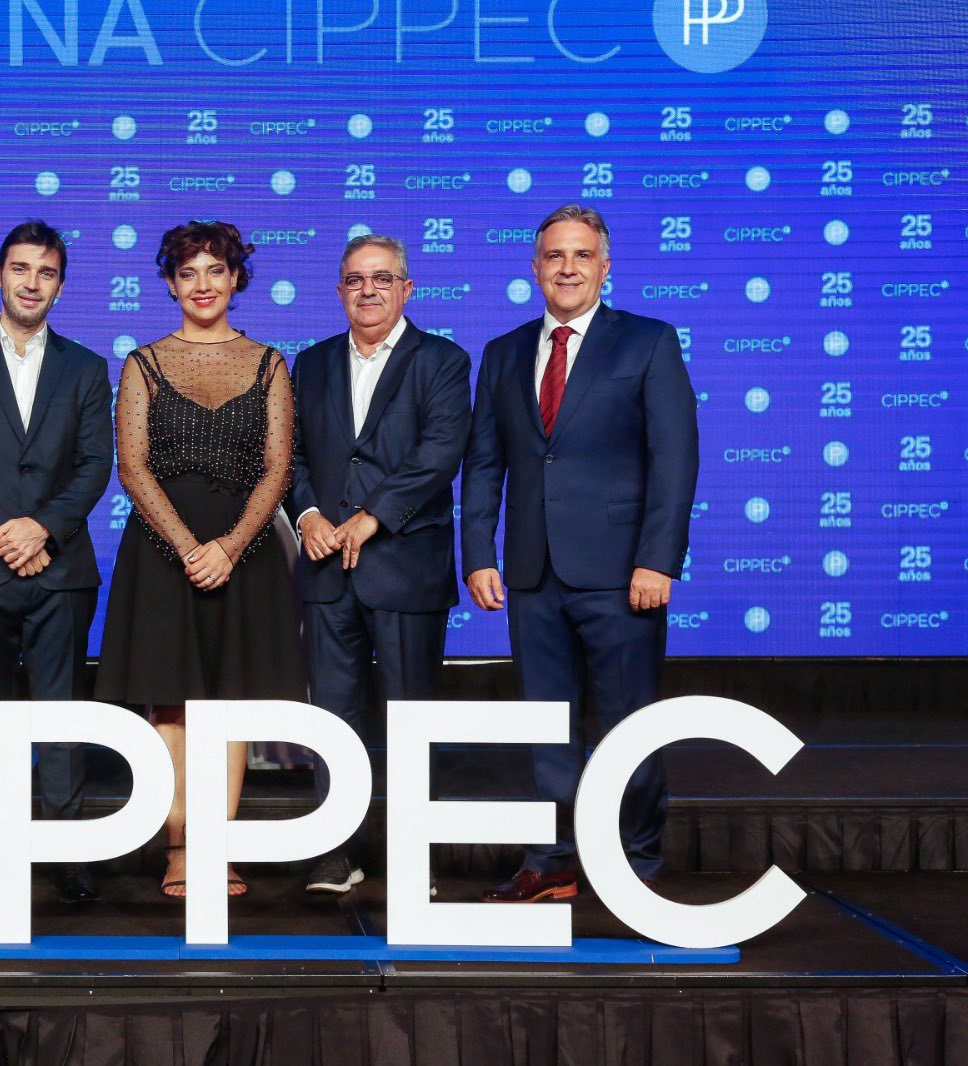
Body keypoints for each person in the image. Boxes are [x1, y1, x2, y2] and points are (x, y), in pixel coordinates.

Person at [461, 204, 699, 903]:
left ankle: (638, 866)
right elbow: (484, 464)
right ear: (535, 267)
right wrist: (478, 552)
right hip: (532, 574)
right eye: (555, 256)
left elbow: (675, 459)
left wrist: (658, 559)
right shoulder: (504, 352)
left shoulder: (649, 342)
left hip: (624, 574)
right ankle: (552, 861)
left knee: (631, 725)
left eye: (582, 255)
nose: (568, 268)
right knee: (547, 728)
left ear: (605, 266)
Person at [96, 220, 307, 898]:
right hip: (164, 554)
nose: (203, 285)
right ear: (170, 284)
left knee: (232, 708)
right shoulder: (143, 364)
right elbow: (132, 468)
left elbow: (278, 469)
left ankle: (220, 848)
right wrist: (190, 547)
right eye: (188, 273)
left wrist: (231, 546)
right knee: (172, 705)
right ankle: (180, 851)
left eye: (216, 270)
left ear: (236, 278)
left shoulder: (271, 364)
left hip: (244, 553)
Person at [0, 221, 114, 905]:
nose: (32, 282)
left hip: (62, 568)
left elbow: (96, 464)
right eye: (20, 268)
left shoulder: (86, 367)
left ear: (60, 286)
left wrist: (42, 530)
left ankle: (64, 851)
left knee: (61, 715)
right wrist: (1, 533)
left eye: (46, 272)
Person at [289, 234, 472, 897]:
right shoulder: (310, 363)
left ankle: (414, 855)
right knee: (332, 720)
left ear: (406, 289)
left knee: (410, 717)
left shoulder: (443, 360)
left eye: (382, 278)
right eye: (355, 279)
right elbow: (291, 455)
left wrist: (374, 516)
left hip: (405, 565)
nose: (368, 290)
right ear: (339, 290)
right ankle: (336, 853)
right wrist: (308, 515)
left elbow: (440, 452)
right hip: (325, 570)